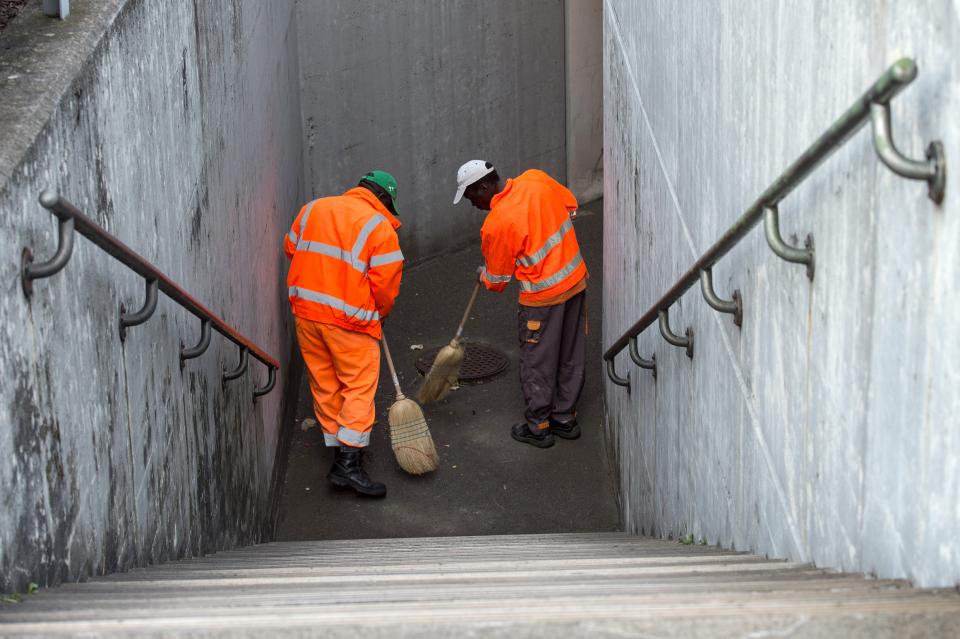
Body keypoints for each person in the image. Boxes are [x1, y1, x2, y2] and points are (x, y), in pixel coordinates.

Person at [284, 171, 404, 497]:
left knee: (324, 382)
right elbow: (386, 286)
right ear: (383, 200)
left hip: (307, 312)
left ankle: (338, 453)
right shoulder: (379, 227)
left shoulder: (313, 209)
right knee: (358, 387)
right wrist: (380, 314)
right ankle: (349, 465)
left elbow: (291, 248)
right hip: (350, 322)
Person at [453, 160, 587, 448]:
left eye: (470, 195)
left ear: (484, 186)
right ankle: (564, 417)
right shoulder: (536, 178)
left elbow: (498, 280)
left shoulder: (498, 222)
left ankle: (538, 426)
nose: (471, 203)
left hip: (542, 298)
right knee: (569, 352)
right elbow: (571, 207)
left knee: (537, 360)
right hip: (575, 281)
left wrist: (483, 276)